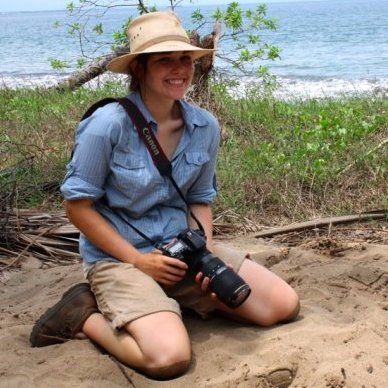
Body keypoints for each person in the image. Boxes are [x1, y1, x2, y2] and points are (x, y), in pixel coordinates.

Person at [30, 11, 299, 380]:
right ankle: (83, 316)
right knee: (168, 359)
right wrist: (140, 263)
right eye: (164, 60)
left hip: (182, 249)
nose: (178, 69)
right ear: (139, 69)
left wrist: (203, 248)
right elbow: (77, 208)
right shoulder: (106, 125)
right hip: (121, 259)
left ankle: (164, 304)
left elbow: (201, 197)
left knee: (281, 306)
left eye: (185, 59)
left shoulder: (204, 125)